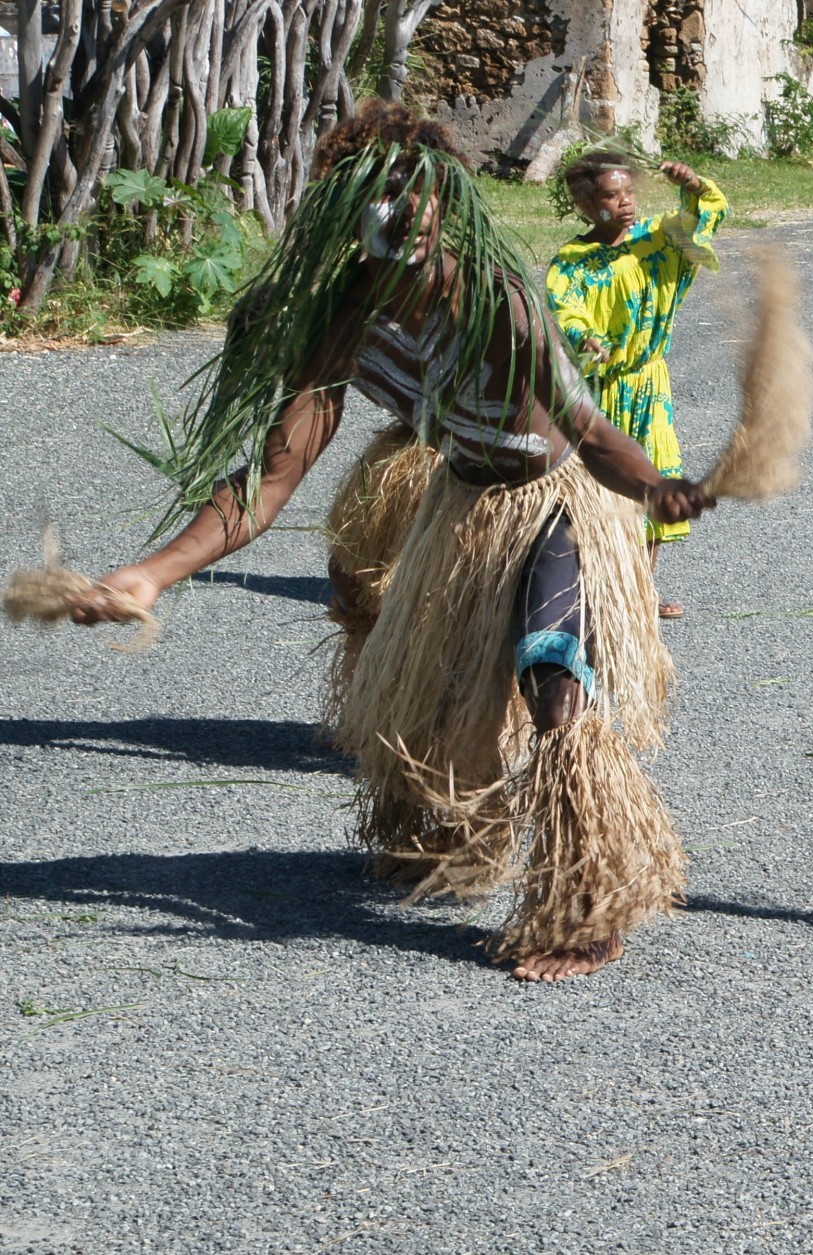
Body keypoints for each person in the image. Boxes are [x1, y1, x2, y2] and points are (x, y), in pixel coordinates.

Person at [67, 102, 714, 982]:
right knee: (432, 693)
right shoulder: (342, 323)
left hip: (560, 501)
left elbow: (592, 433)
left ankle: (585, 905)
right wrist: (150, 574)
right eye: (383, 196)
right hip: (463, 507)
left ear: (444, 201)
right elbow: (267, 485)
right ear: (347, 211)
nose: (406, 215)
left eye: (419, 194)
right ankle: (444, 837)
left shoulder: (498, 303)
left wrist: (657, 487)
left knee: (554, 677)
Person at [545, 149, 728, 618]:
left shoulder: (659, 240)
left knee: (652, 483)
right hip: (598, 393)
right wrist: (584, 336)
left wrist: (692, 186)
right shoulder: (572, 262)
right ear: (588, 205)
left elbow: (706, 216)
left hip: (649, 386)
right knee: (600, 490)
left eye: (629, 191)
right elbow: (563, 311)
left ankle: (641, 592)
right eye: (611, 195)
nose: (625, 201)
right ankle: (601, 590)